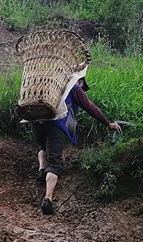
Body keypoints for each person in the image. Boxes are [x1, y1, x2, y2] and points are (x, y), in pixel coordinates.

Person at [33, 76, 121, 215]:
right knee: (55, 164)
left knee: (43, 148)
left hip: (38, 122)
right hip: (57, 125)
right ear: (79, 81)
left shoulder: (52, 87)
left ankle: (41, 168)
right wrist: (108, 123)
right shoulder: (74, 88)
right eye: (82, 86)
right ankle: (47, 199)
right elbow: (91, 108)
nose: (82, 90)